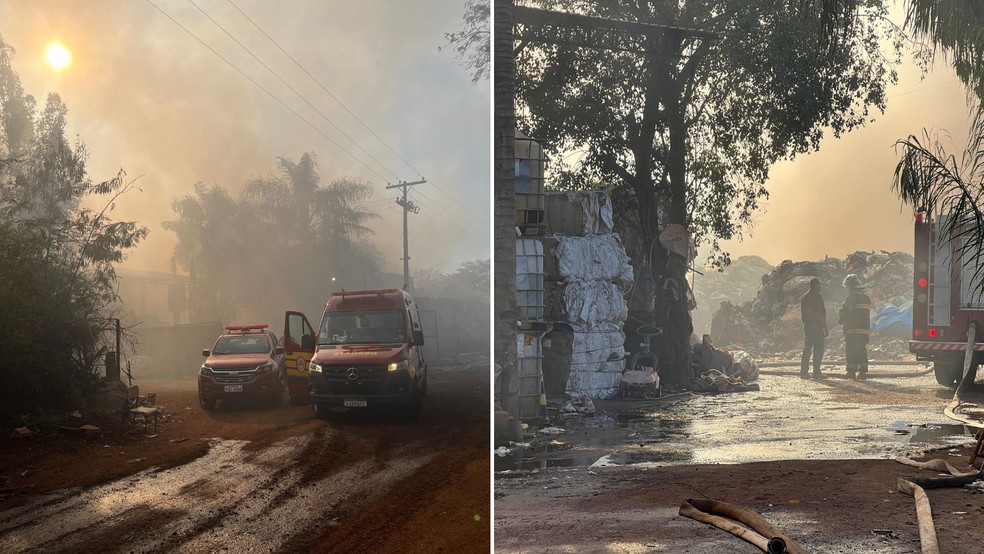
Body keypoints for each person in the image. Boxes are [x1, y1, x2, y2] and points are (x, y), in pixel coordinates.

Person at [839, 274, 871, 380]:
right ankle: (862, 373)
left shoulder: (852, 297)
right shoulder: (866, 298)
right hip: (864, 329)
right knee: (862, 349)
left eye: (848, 286)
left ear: (851, 285)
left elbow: (845, 311)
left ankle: (851, 372)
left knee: (851, 349)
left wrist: (842, 321)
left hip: (853, 329)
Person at [800, 278, 827, 378]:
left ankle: (803, 373)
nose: (820, 286)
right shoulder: (817, 297)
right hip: (816, 326)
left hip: (807, 326)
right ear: (815, 285)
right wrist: (825, 328)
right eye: (819, 285)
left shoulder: (805, 296)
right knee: (818, 349)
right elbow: (821, 314)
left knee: (807, 349)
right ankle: (816, 372)